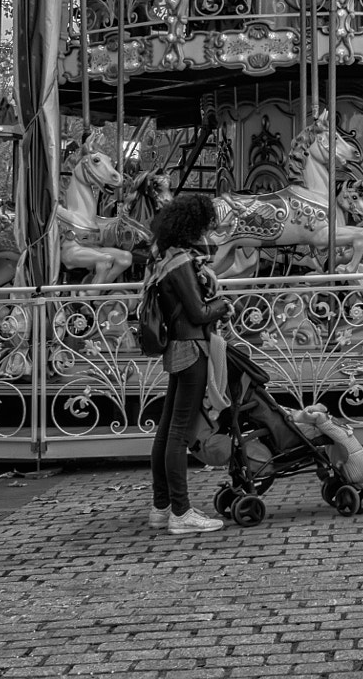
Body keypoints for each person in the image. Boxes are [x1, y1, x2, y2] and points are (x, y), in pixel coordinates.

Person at [146, 194, 230, 534]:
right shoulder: (180, 263)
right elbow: (199, 313)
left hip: (178, 350)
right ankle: (181, 513)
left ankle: (161, 506)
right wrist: (223, 305)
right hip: (192, 349)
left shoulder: (162, 261)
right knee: (178, 434)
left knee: (167, 431)